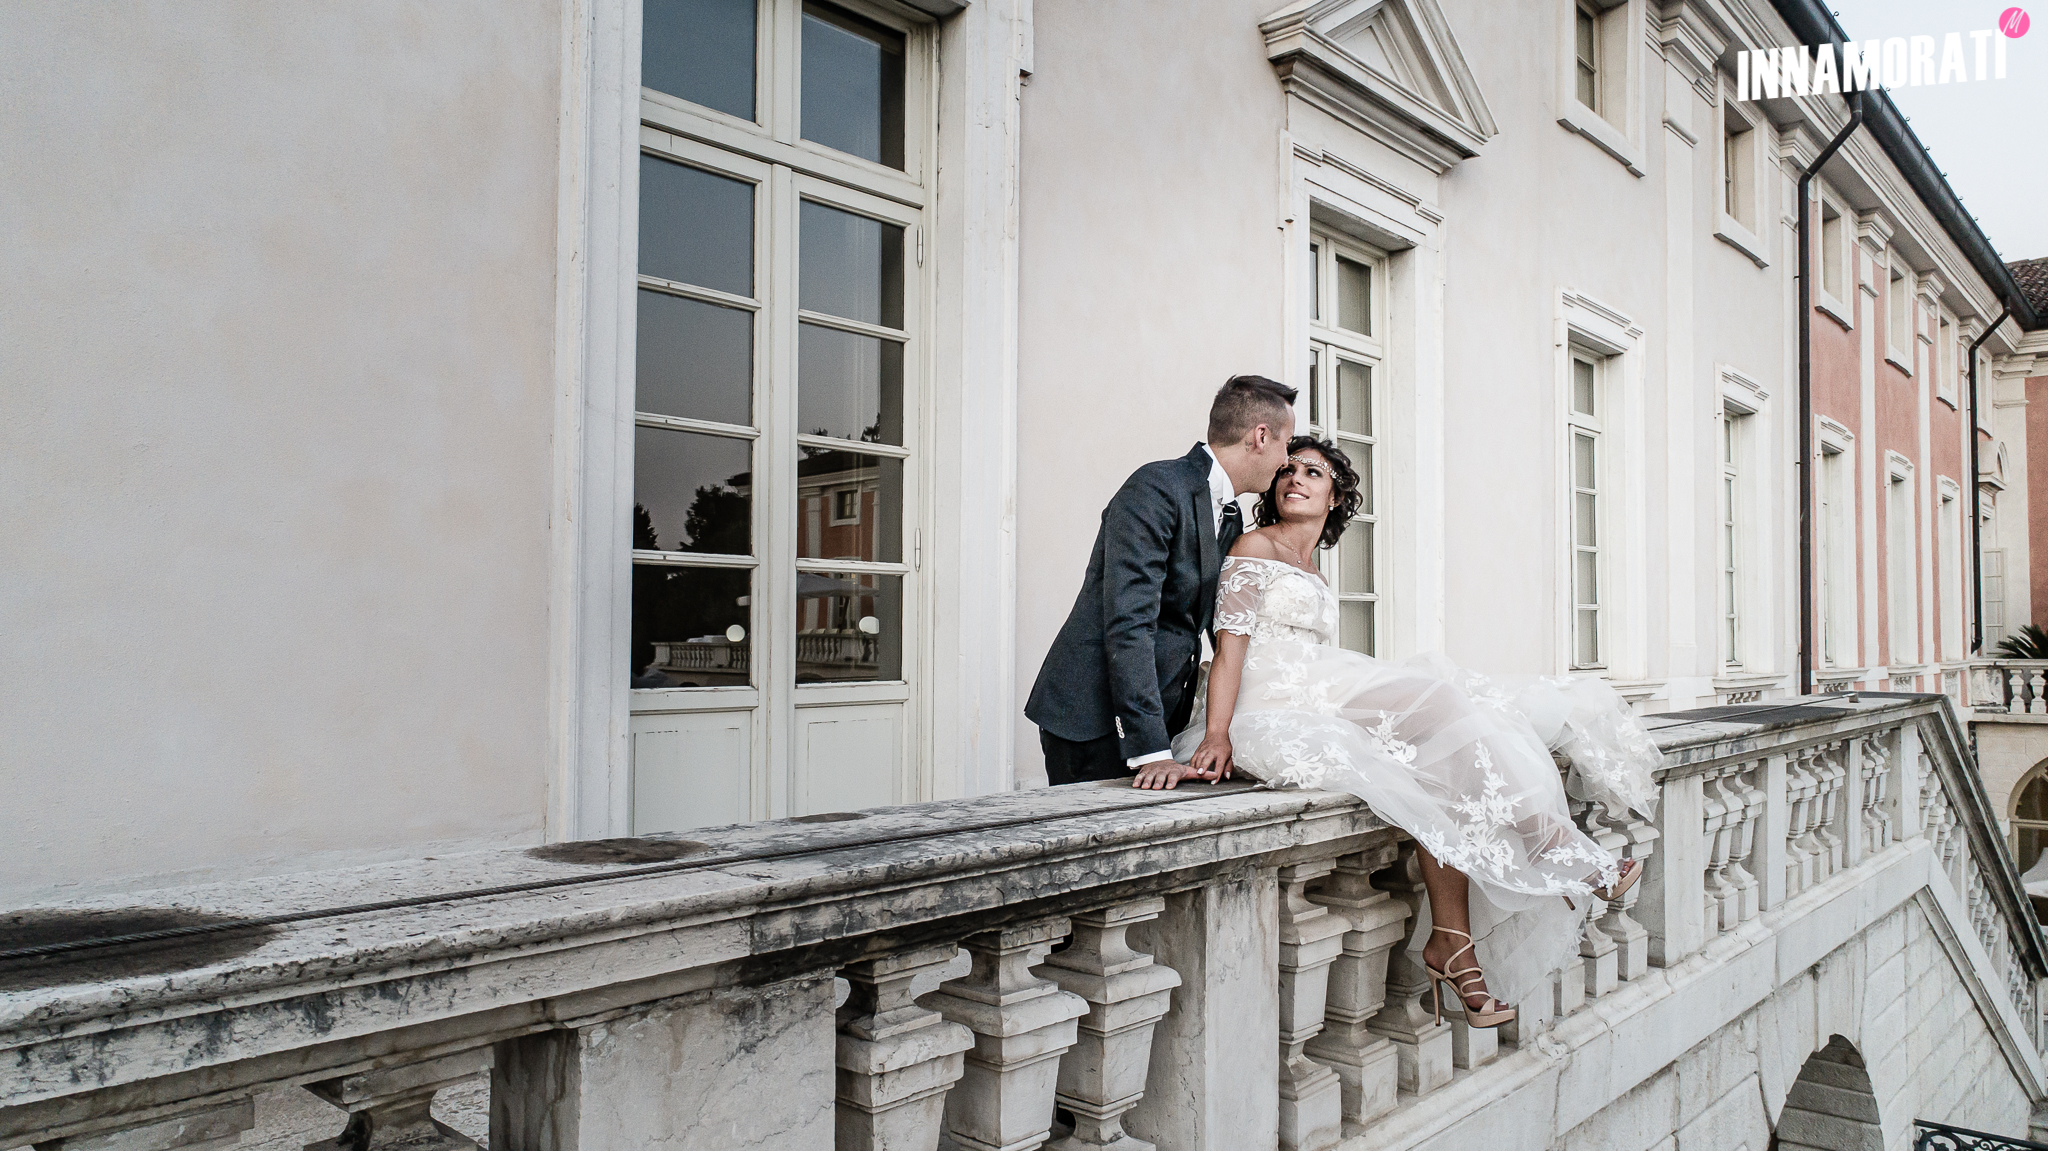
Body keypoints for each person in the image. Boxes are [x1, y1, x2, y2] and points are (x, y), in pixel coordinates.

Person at [1143, 436, 1661, 1030]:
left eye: (1313, 472)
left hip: (1316, 687)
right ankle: (1547, 841)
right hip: (1273, 701)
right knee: (1439, 695)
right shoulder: (1253, 547)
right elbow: (1230, 651)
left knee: (1439, 767)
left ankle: (1453, 946)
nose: (1294, 478)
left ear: (1336, 497)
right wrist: (1217, 735)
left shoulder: (1311, 565)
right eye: (1287, 469)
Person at [1026, 375, 1297, 785]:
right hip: (1095, 720)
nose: (1286, 459)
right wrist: (1150, 750)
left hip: (1163, 713)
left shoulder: (1230, 515)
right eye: (1286, 443)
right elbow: (1129, 621)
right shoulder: (1155, 489)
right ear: (1260, 436)